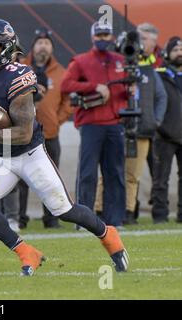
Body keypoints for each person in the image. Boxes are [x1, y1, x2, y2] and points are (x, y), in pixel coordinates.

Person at [0, 19, 129, 275]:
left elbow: (23, 132)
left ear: (7, 49)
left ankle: (107, 234)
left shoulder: (19, 77)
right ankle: (25, 251)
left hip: (29, 153)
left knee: (65, 210)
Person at [94, 23, 168, 224]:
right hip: (115, 126)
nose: (137, 45)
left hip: (142, 129)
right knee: (107, 171)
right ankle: (99, 209)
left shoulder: (149, 71)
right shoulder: (115, 67)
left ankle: (128, 211)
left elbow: (161, 97)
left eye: (143, 40)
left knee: (132, 175)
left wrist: (155, 120)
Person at [61, 22, 130, 227]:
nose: (102, 38)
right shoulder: (81, 61)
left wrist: (131, 91)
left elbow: (125, 89)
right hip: (91, 124)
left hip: (115, 123)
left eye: (106, 35)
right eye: (99, 34)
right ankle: (84, 220)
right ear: (92, 37)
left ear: (111, 37)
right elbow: (66, 85)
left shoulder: (120, 61)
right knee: (88, 172)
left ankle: (114, 220)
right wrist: (93, 87)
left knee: (115, 172)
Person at [21, 27, 72, 228]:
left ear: (52, 48)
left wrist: (57, 120)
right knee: (21, 178)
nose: (43, 46)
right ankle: (19, 218)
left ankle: (51, 218)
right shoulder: (20, 68)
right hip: (23, 134)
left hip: (50, 134)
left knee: (50, 179)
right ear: (33, 47)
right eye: (39, 42)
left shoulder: (61, 72)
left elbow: (67, 101)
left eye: (47, 43)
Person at [152, 37, 182, 224]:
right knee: (160, 179)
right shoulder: (159, 75)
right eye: (176, 49)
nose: (179, 53)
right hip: (164, 135)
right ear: (167, 53)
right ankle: (160, 215)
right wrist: (159, 125)